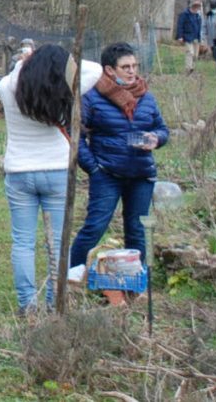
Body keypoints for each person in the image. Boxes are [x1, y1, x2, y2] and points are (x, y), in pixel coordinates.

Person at [0, 44, 101, 314]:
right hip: (57, 171)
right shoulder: (62, 90)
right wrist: (59, 60)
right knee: (57, 243)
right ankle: (55, 303)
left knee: (22, 242)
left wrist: (25, 61)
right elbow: (96, 69)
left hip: (19, 172)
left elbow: (11, 78)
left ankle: (27, 304)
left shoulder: (7, 88)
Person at [71, 43, 168, 269]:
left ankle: (135, 281)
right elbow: (75, 135)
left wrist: (157, 138)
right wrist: (93, 168)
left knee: (137, 230)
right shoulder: (92, 98)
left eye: (135, 65)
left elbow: (163, 129)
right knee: (95, 227)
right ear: (109, 70)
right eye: (126, 67)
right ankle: (72, 276)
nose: (132, 71)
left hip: (141, 174)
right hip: (107, 174)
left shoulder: (146, 97)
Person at [176, 0, 203, 73]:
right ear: (192, 6)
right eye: (196, 7)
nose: (197, 9)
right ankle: (188, 69)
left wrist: (201, 37)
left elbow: (200, 27)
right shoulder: (184, 14)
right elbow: (180, 25)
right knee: (190, 52)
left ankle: (192, 68)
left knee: (195, 55)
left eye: (198, 7)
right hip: (187, 36)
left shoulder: (198, 16)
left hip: (196, 37)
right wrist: (180, 36)